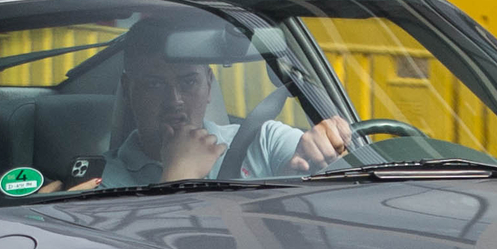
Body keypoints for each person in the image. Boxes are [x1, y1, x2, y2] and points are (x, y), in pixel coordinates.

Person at [104, 18, 352, 188]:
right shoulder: (103, 180)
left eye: (188, 82)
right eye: (154, 85)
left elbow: (311, 159)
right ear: (128, 90)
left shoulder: (262, 140)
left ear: (209, 85)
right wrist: (179, 174)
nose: (174, 100)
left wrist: (323, 145)